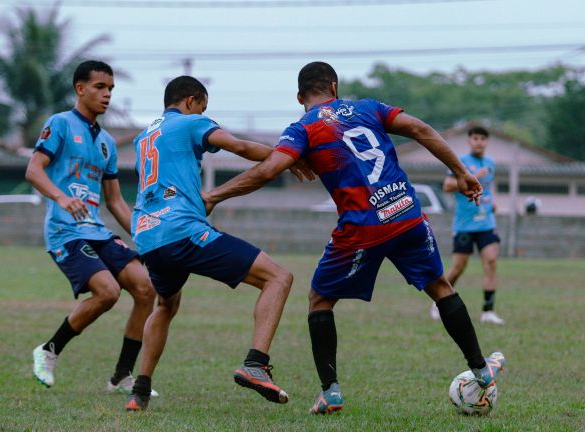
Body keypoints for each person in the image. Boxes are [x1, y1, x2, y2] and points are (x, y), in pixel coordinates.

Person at [202, 62, 506, 415]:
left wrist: (214, 196)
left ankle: (331, 393)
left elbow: (269, 170)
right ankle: (482, 371)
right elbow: (419, 128)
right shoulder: (368, 108)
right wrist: (461, 171)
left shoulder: (303, 128)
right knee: (440, 286)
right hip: (407, 212)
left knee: (319, 299)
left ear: (300, 97)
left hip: (363, 226)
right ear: (334, 86)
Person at [123, 76, 312, 411]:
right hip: (182, 230)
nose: (204, 112)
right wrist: (285, 157)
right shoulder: (191, 122)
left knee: (166, 306)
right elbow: (237, 146)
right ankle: (256, 363)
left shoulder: (144, 136)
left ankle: (139, 391)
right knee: (278, 277)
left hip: (148, 236)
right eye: (204, 106)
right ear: (193, 100)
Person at [26, 60, 157, 395]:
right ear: (80, 88)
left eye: (111, 89)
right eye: (100, 87)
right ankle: (48, 350)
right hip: (65, 232)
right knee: (108, 292)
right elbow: (34, 170)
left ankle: (122, 376)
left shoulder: (107, 144)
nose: (107, 95)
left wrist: (144, 238)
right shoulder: (59, 124)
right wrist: (61, 197)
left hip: (96, 231)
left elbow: (114, 200)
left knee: (145, 288)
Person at [430, 126, 504, 325]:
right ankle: (439, 302)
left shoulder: (491, 164)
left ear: (486, 142)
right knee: (458, 268)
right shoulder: (460, 161)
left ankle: (488, 311)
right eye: (475, 138)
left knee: (491, 262)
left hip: (487, 222)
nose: (479, 142)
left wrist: (491, 202)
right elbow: (447, 186)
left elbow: (485, 189)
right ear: (469, 141)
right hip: (464, 224)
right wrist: (475, 176)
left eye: (482, 138)